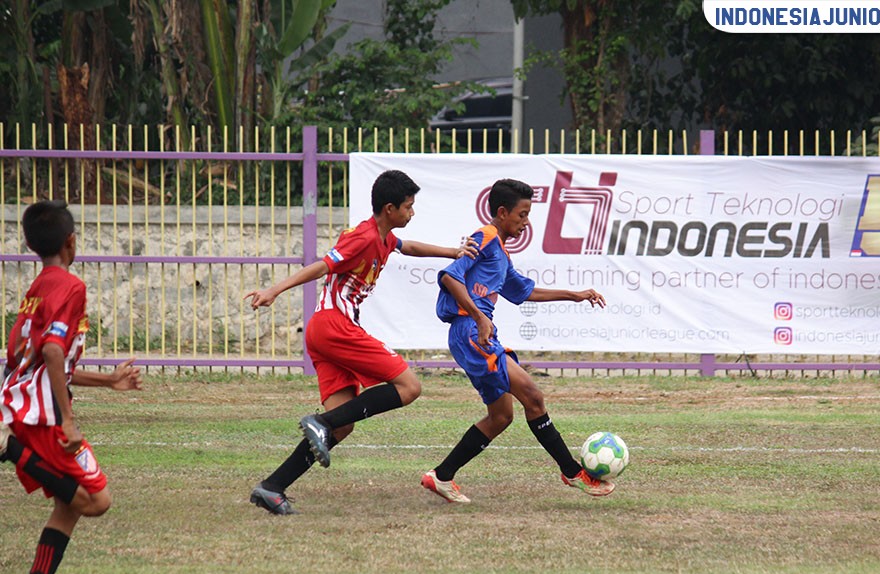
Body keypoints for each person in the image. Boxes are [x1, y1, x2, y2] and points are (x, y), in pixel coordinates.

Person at [245, 169, 476, 515]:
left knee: (344, 424)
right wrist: (274, 290)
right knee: (410, 386)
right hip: (332, 326)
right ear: (389, 208)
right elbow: (323, 265)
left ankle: (272, 486)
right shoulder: (364, 238)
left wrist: (452, 252)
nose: (412, 213)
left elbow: (408, 246)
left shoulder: (384, 237)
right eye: (408, 207)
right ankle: (319, 423)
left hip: (327, 331)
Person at [421, 178, 611, 504]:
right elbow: (450, 276)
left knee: (501, 417)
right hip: (471, 332)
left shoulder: (501, 253)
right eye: (522, 215)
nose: (526, 222)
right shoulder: (486, 236)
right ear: (502, 212)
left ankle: (441, 476)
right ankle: (572, 471)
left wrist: (574, 295)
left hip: (475, 332)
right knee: (533, 396)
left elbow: (524, 292)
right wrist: (481, 318)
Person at [2, 199, 143, 574]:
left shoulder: (38, 288)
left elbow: (43, 362)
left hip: (22, 403)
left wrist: (108, 381)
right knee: (96, 500)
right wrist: (67, 418)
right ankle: (8, 448)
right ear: (71, 241)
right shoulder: (70, 286)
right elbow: (50, 350)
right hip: (39, 417)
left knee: (69, 505)